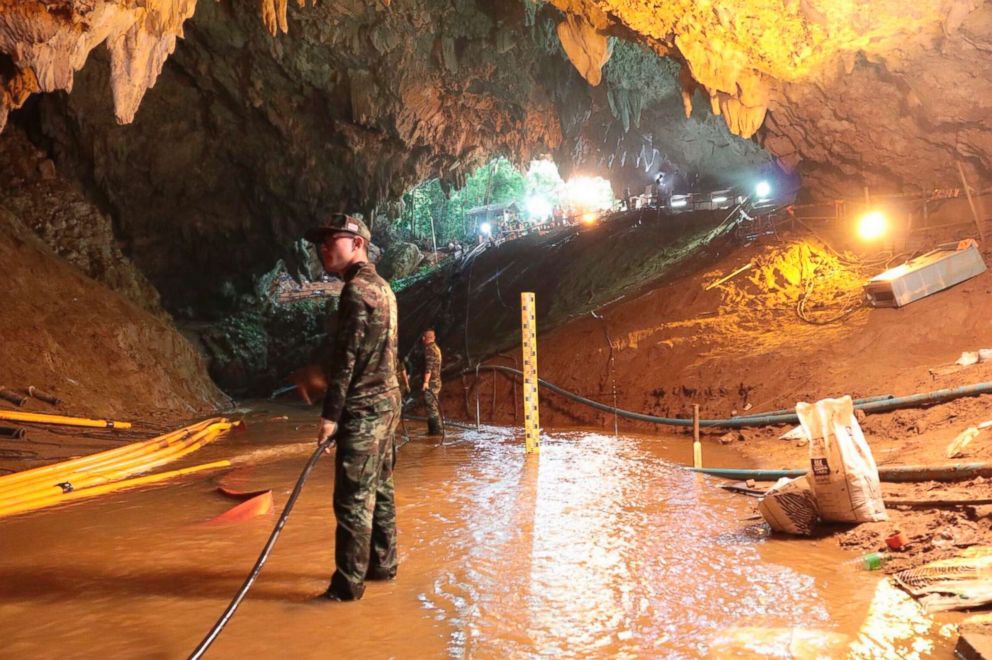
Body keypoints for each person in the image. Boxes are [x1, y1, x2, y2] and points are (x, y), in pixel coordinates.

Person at [304, 213, 401, 602]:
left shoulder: (356, 291)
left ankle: (346, 588)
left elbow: (347, 360)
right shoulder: (383, 287)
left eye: (333, 240)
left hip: (364, 408)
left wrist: (330, 416)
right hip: (387, 403)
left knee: (352, 499)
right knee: (380, 486)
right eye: (321, 242)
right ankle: (383, 564)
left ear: (358, 243)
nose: (324, 247)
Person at [420, 329, 443, 436]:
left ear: (424, 338)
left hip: (432, 382)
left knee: (430, 405)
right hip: (437, 381)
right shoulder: (436, 349)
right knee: (432, 405)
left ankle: (436, 431)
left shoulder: (429, 349)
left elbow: (428, 367)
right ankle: (433, 431)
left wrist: (426, 382)